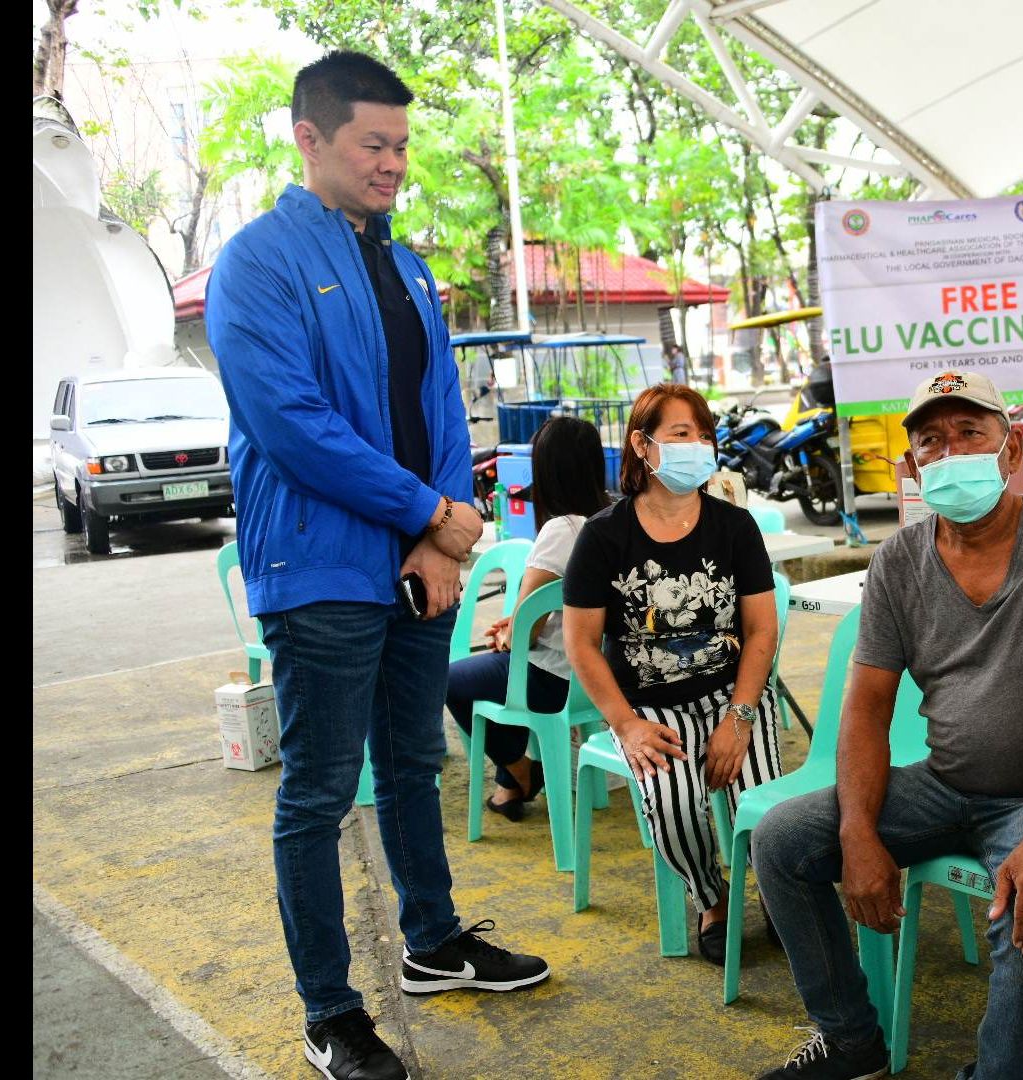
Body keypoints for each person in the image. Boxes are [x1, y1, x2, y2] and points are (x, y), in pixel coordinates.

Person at [207, 49, 546, 1080]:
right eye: (374, 144)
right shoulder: (257, 262)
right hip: (319, 568)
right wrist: (430, 513)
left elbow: (442, 401)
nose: (394, 163)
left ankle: (435, 943)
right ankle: (329, 1012)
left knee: (415, 766)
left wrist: (445, 529)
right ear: (310, 139)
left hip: (417, 557)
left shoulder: (404, 264)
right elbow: (292, 424)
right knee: (317, 792)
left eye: (402, 145)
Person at [751, 370, 1023, 1080]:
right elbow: (866, 706)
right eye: (932, 441)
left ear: (1011, 450)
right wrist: (858, 831)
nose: (951, 452)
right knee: (782, 841)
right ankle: (850, 1039)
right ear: (912, 468)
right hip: (948, 783)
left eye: (969, 434)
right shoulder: (898, 562)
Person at [561, 383, 784, 966]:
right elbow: (581, 644)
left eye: (704, 434)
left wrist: (739, 719)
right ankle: (711, 899)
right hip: (647, 707)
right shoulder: (604, 535)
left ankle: (785, 899)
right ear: (642, 444)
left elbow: (761, 630)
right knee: (677, 803)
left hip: (730, 694)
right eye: (681, 434)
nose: (697, 446)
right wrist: (627, 726)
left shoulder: (735, 527)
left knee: (765, 808)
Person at [444, 416, 611, 821]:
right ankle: (509, 785)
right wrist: (516, 628)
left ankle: (520, 773)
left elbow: (528, 630)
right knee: (501, 670)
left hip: (556, 680)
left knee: (449, 680)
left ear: (547, 470)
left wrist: (511, 633)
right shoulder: (615, 518)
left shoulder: (561, 530)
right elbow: (539, 612)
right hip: (604, 677)